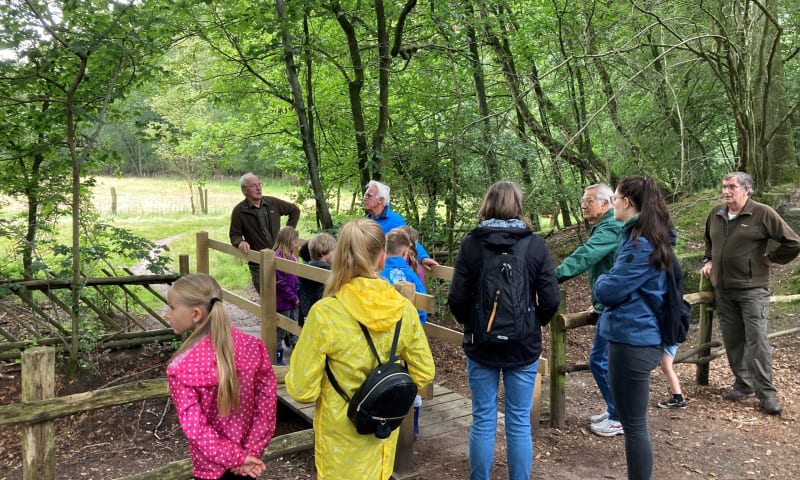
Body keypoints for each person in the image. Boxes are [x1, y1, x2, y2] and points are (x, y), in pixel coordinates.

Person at [285, 218, 435, 480]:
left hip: (339, 444)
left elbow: (302, 389)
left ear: (340, 258)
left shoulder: (325, 314)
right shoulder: (404, 310)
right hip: (381, 438)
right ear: (381, 260)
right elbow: (424, 372)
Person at [447, 181, 560, 480]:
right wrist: (532, 324)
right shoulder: (535, 244)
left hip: (481, 345)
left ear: (487, 204)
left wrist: (473, 324)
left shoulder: (471, 243)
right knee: (519, 421)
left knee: (483, 419)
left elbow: (456, 299)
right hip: (523, 347)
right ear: (518, 206)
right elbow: (550, 299)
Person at [593, 176, 674, 479]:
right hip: (635, 335)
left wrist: (601, 281)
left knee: (634, 423)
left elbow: (609, 289)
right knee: (633, 422)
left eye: (614, 198)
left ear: (626, 202)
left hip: (634, 339)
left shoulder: (640, 242)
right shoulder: (641, 236)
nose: (612, 203)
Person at [701, 171, 800, 416]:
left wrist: (772, 259)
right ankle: (743, 384)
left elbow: (793, 242)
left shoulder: (762, 213)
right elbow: (709, 241)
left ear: (746, 189)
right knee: (733, 341)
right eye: (724, 187)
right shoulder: (716, 213)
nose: (726, 191)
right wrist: (708, 259)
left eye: (732, 187)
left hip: (752, 290)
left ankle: (767, 395)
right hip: (723, 291)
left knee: (758, 342)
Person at [165, 273, 277, 480]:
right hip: (248, 465)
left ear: (196, 314)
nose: (167, 314)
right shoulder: (254, 347)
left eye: (171, 307)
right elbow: (266, 405)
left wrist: (237, 458)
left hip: (211, 469)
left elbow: (196, 428)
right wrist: (250, 453)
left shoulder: (181, 367)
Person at [554, 183, 624, 436]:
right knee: (607, 361)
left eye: (589, 201)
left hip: (616, 306)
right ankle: (615, 409)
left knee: (600, 361)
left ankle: (619, 416)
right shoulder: (609, 225)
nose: (583, 205)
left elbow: (586, 256)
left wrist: (552, 276)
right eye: (583, 201)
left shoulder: (612, 226)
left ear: (606, 203)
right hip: (609, 304)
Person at [380, 227, 428, 440]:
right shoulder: (410, 275)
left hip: (380, 338)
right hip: (407, 340)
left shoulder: (376, 273)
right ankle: (411, 428)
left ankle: (382, 420)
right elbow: (422, 308)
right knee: (410, 379)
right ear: (405, 251)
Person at [229, 172, 301, 294]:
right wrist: (240, 242)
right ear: (244, 190)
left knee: (288, 294)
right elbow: (234, 234)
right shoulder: (239, 211)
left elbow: (294, 210)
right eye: (253, 186)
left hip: (281, 256)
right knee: (266, 295)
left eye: (259, 184)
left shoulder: (272, 203)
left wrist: (288, 232)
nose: (258, 188)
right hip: (258, 262)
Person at [363, 180, 439, 271]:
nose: (364, 198)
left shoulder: (394, 220)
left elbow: (408, 239)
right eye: (365, 195)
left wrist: (423, 257)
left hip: (387, 272)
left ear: (381, 200)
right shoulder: (367, 220)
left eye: (368, 196)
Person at [273, 226, 300, 365]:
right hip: (283, 302)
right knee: (280, 331)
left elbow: (296, 278)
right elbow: (281, 283)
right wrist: (293, 297)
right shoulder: (277, 258)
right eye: (295, 241)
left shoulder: (293, 257)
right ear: (289, 241)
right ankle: (277, 358)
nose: (297, 244)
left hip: (293, 300)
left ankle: (297, 358)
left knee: (294, 328)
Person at [298, 232, 336, 327]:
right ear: (324, 252)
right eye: (334, 250)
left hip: (306, 316)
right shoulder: (328, 270)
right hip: (323, 318)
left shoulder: (304, 268)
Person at [656, 345, 687, 409]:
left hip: (671, 340)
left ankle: (678, 398)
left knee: (666, 367)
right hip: (672, 339)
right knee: (666, 367)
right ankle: (678, 398)